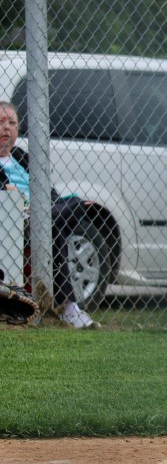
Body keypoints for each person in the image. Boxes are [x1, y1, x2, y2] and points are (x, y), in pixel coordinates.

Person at [0, 101, 97, 328]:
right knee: (56, 225)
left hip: (41, 213)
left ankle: (54, 217)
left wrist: (52, 205)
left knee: (68, 207)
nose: (7, 127)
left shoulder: (21, 156)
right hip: (13, 219)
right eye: (1, 122)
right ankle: (70, 308)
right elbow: (5, 191)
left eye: (12, 123)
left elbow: (48, 191)